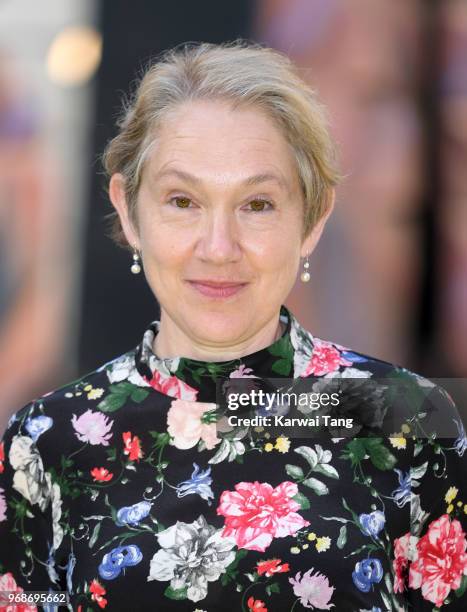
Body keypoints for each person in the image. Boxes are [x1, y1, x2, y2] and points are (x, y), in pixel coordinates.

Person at [0, 41, 466, 612]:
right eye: (182, 200)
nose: (219, 249)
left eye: (258, 205)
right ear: (128, 209)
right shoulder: (47, 440)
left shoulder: (408, 417)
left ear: (313, 218)